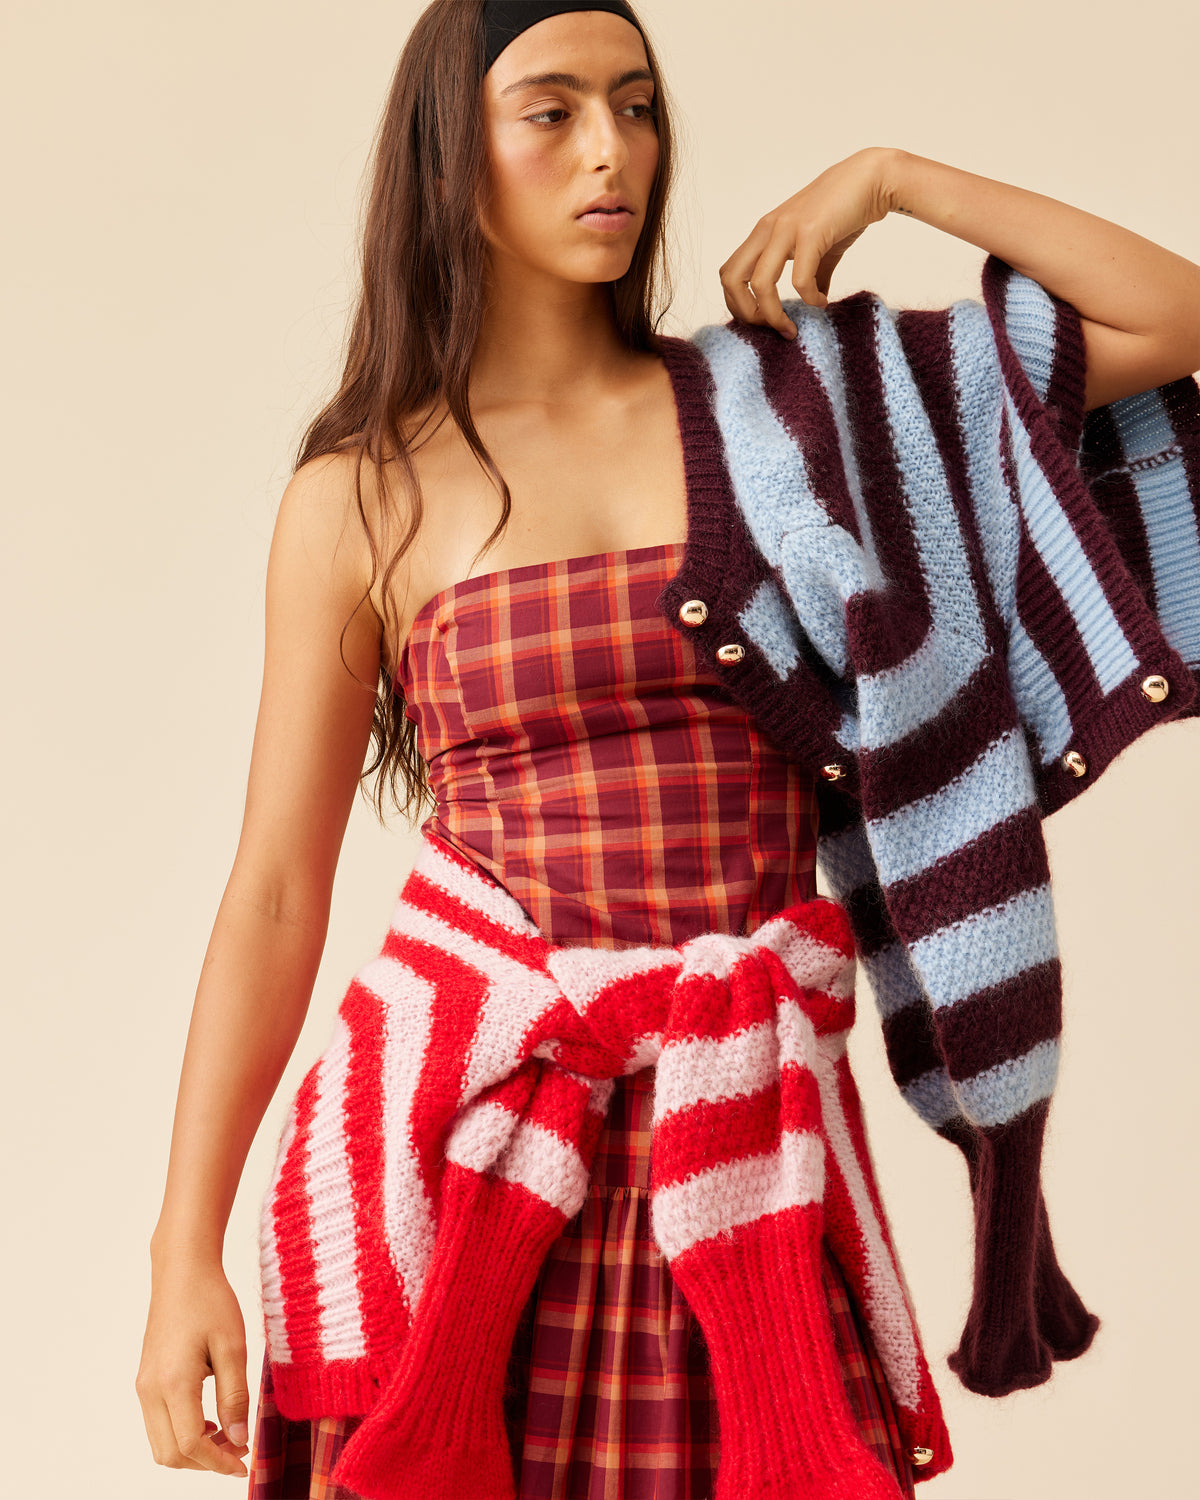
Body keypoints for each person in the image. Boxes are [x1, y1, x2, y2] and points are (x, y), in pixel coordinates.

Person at [135, 1, 1200, 1495]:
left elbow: (1173, 319)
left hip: (745, 1158)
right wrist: (183, 1251)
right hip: (461, 1167)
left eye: (636, 106)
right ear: (451, 158)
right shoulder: (361, 497)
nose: (612, 151)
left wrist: (895, 176)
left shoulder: (791, 417)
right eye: (553, 111)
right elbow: (271, 891)